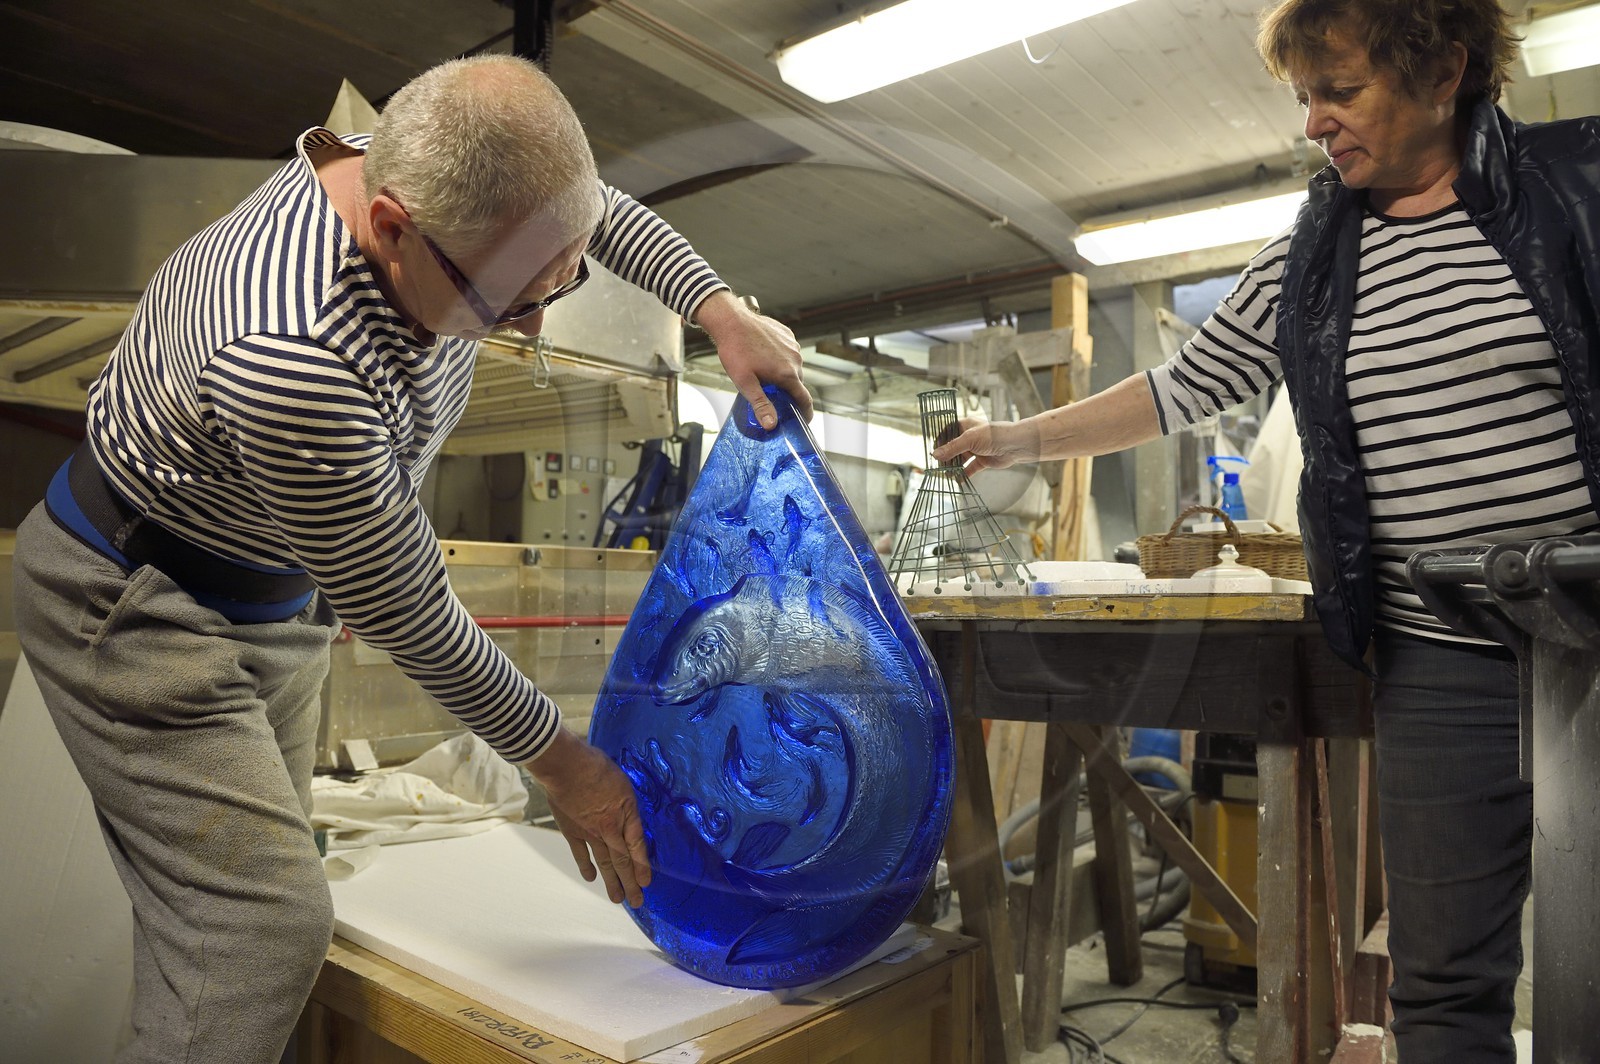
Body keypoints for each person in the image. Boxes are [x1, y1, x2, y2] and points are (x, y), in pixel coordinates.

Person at [11, 54, 810, 1064]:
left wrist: (717, 311)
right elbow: (410, 612)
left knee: (251, 890)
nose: (531, 329)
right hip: (138, 597)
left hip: (267, 589)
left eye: (558, 287)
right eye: (511, 304)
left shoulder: (459, 186)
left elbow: (589, 211)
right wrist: (570, 766)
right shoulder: (291, 350)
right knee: (258, 928)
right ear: (391, 226)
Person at [935, 2, 1598, 1060]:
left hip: (1589, 643)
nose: (1312, 125)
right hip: (1440, 658)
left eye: (1338, 91)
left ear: (1440, 71)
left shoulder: (1572, 195)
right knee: (1444, 985)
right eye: (1303, 98)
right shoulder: (1316, 250)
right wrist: (1018, 441)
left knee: (1593, 972)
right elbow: (1183, 383)